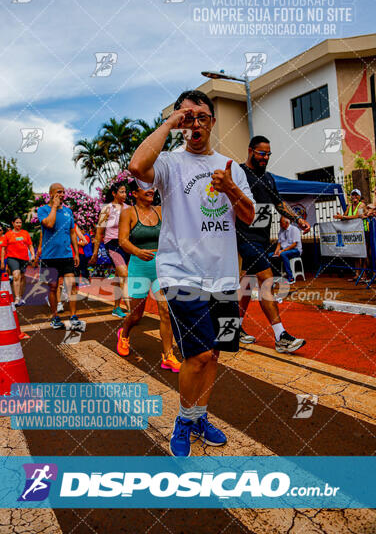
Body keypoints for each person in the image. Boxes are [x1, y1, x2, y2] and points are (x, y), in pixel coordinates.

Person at [129, 89, 255, 457]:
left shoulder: (232, 167)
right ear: (180, 124)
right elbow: (137, 167)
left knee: (214, 354)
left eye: (201, 116)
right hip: (181, 273)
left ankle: (199, 415)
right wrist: (169, 122)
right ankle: (184, 420)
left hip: (224, 278)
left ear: (213, 122)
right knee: (198, 355)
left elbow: (251, 218)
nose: (194, 123)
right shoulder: (169, 162)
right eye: (187, 117)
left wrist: (230, 188)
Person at [236, 135, 310, 353]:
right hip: (244, 236)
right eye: (261, 153)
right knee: (267, 281)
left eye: (268, 154)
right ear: (250, 151)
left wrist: (298, 219)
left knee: (246, 286)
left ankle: (231, 330)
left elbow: (278, 204)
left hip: (262, 238)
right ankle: (281, 336)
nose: (265, 157)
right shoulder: (239, 173)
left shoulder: (268, 178)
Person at [117, 181, 181, 372]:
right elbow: (122, 240)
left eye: (152, 187)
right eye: (146, 187)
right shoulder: (128, 213)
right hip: (138, 267)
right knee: (136, 315)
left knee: (165, 310)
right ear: (135, 193)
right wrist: (137, 251)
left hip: (161, 267)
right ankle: (124, 334)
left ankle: (168, 356)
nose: (151, 190)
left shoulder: (161, 211)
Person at [37, 183, 82, 330]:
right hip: (49, 256)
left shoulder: (68, 212)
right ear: (51, 194)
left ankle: (73, 317)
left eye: (63, 192)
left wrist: (75, 252)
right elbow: (49, 224)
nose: (62, 194)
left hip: (66, 255)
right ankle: (55, 317)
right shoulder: (43, 210)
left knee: (72, 285)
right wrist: (54, 207)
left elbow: (72, 233)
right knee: (53, 287)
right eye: (58, 192)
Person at [90, 182, 130, 317]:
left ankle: (116, 308)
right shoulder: (107, 209)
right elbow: (99, 232)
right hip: (112, 243)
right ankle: (131, 309)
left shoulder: (129, 208)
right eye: (121, 192)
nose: (124, 194)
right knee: (124, 274)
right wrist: (95, 253)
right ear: (114, 193)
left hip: (126, 244)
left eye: (125, 192)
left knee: (119, 277)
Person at [334, 189, 367, 281]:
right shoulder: (349, 206)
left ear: (359, 197)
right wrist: (340, 216)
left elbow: (358, 216)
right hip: (353, 232)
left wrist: (343, 217)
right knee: (356, 254)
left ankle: (364, 275)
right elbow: (344, 216)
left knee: (363, 254)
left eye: (356, 195)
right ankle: (357, 274)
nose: (354, 197)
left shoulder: (362, 205)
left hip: (363, 231)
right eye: (353, 195)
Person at [1, 217, 35, 305]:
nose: (19, 224)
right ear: (13, 223)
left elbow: (30, 245)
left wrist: (33, 255)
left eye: (20, 223)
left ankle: (20, 296)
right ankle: (16, 298)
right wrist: (2, 262)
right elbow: (3, 249)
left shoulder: (25, 233)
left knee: (22, 277)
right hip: (12, 258)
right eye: (17, 222)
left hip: (24, 259)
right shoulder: (8, 235)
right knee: (16, 275)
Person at [271, 217, 303, 283]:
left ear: (287, 223)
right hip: (284, 250)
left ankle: (291, 277)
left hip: (295, 250)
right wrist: (276, 251)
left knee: (283, 254)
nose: (280, 225)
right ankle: (274, 276)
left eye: (281, 223)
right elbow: (279, 244)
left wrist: (282, 251)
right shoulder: (281, 231)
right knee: (269, 255)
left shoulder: (294, 229)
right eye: (280, 223)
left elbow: (294, 244)